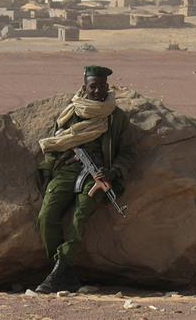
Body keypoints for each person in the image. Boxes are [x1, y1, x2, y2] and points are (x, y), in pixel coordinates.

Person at [35, 65, 136, 293]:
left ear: (107, 87)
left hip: (97, 175)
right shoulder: (72, 112)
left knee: (79, 216)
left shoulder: (115, 117)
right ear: (84, 87)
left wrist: (114, 171)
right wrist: (50, 167)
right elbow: (56, 142)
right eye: (93, 87)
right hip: (67, 170)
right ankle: (61, 270)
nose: (98, 91)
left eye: (102, 87)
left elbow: (128, 152)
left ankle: (59, 272)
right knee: (46, 214)